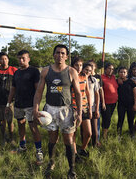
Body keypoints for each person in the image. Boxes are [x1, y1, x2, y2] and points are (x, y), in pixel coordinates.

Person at [33, 44, 82, 178]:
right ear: (53, 55)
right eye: (57, 53)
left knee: (68, 139)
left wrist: (80, 113)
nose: (60, 55)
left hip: (66, 110)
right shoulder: (46, 71)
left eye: (62, 53)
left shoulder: (72, 71)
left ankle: (71, 169)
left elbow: (78, 94)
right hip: (50, 110)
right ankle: (51, 162)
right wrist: (35, 109)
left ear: (66, 56)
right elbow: (39, 92)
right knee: (52, 137)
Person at [7, 50, 43, 165]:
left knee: (33, 128)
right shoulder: (16, 73)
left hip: (30, 105)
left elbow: (38, 90)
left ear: (28, 59)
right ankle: (22, 147)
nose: (21, 60)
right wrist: (8, 103)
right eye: (19, 58)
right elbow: (13, 89)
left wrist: (35, 106)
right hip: (18, 104)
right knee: (21, 125)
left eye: (23, 58)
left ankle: (39, 151)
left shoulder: (34, 71)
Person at [0, 52, 17, 144]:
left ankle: (11, 138)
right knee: (1, 121)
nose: (4, 61)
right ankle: (3, 138)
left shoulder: (14, 70)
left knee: (10, 121)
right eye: (2, 59)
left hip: (9, 101)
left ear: (8, 59)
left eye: (6, 58)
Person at [71, 57, 92, 159]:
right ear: (72, 66)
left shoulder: (85, 76)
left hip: (84, 108)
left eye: (80, 65)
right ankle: (74, 153)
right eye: (76, 65)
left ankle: (82, 149)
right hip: (73, 107)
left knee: (88, 133)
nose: (79, 67)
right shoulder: (70, 76)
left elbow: (87, 93)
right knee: (73, 132)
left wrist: (90, 108)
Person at [88, 60, 105, 144]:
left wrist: (103, 102)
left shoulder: (97, 77)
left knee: (96, 125)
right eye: (88, 66)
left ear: (95, 67)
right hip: (85, 106)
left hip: (95, 105)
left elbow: (99, 91)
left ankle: (96, 141)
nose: (90, 68)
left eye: (92, 66)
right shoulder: (83, 77)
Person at [117, 67, 136, 138]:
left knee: (131, 120)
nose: (122, 74)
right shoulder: (117, 81)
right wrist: (118, 80)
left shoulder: (131, 82)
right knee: (120, 119)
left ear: (127, 73)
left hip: (130, 104)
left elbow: (135, 94)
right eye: (121, 72)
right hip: (121, 104)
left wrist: (135, 104)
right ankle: (118, 135)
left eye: (124, 72)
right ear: (118, 73)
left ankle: (131, 133)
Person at [82, 63, 99, 147]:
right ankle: (84, 146)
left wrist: (96, 109)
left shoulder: (94, 80)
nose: (88, 72)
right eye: (86, 70)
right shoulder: (79, 79)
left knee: (94, 129)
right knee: (84, 130)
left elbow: (97, 94)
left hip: (92, 107)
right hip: (83, 108)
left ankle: (94, 145)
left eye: (90, 70)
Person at [101, 63, 118, 140]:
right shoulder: (101, 78)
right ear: (105, 69)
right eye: (109, 68)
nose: (111, 70)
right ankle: (104, 135)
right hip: (105, 102)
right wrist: (103, 102)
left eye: (112, 69)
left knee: (108, 118)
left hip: (113, 102)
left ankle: (104, 130)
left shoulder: (114, 77)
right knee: (107, 118)